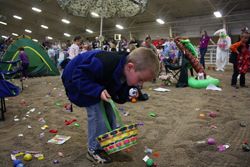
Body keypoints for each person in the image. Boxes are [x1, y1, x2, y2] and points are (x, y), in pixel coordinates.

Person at [61, 47, 159, 164]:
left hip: (97, 81)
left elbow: (116, 92)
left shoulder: (125, 70)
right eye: (140, 80)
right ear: (130, 67)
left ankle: (107, 142)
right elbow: (79, 75)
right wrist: (97, 91)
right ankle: (94, 149)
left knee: (109, 110)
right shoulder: (104, 62)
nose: (140, 84)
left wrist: (125, 95)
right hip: (74, 78)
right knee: (98, 112)